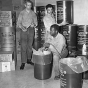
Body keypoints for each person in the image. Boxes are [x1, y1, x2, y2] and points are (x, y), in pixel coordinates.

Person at [17, 0, 37, 70]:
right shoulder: (22, 13)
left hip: (31, 30)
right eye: (28, 5)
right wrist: (22, 27)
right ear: (25, 5)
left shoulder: (33, 13)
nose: (29, 7)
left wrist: (33, 25)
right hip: (23, 31)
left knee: (30, 46)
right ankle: (23, 62)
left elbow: (36, 23)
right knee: (23, 46)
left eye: (30, 5)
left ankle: (29, 59)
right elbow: (18, 23)